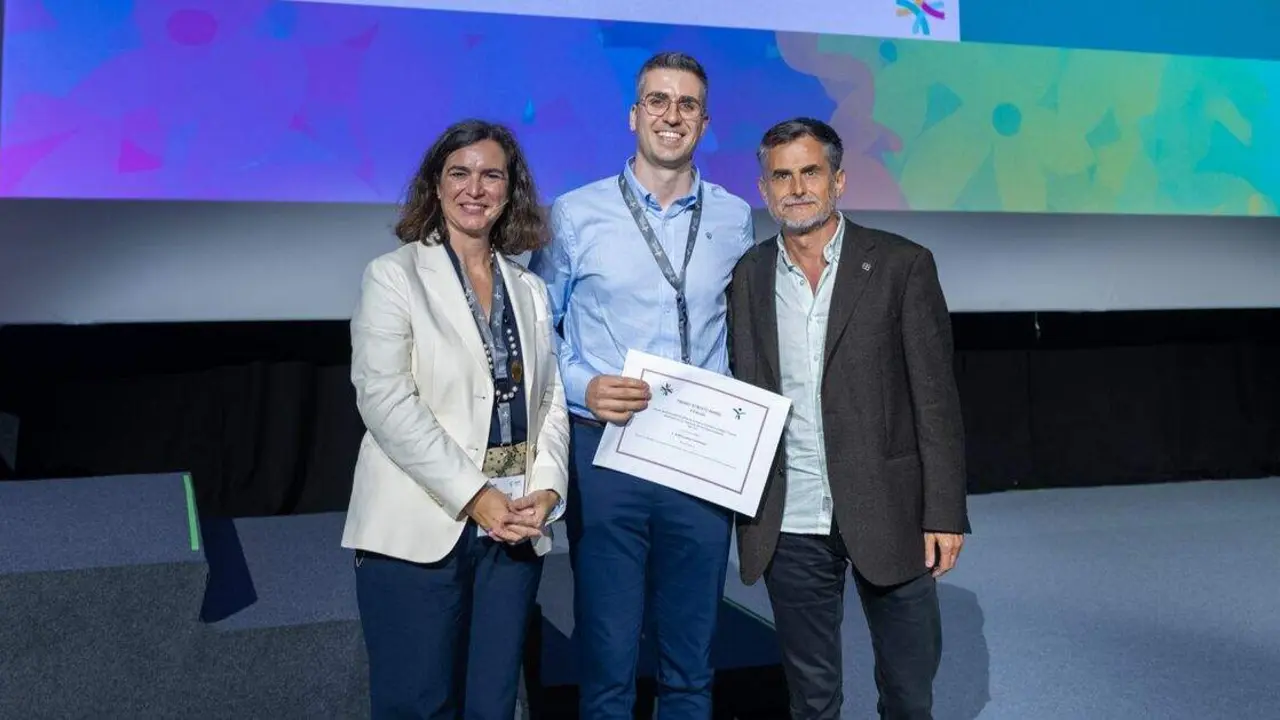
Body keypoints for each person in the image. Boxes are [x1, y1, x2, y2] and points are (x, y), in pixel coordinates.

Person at [529, 52, 755, 718]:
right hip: (610, 453)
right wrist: (582, 387)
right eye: (657, 100)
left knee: (692, 661)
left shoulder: (736, 217)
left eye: (687, 104)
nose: (671, 115)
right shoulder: (575, 214)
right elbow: (541, 329)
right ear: (633, 116)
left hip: (702, 455)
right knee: (607, 661)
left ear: (705, 123)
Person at [728, 117, 969, 720]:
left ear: (839, 180)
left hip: (891, 509)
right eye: (781, 176)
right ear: (764, 190)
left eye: (810, 172)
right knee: (811, 700)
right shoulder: (746, 276)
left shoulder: (901, 265)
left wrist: (943, 511)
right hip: (791, 516)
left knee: (909, 695)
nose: (797, 187)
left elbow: (935, 400)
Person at [342, 119, 570, 719]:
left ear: (510, 189)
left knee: (492, 707)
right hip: (421, 528)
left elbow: (548, 402)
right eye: (459, 173)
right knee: (418, 706)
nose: (475, 188)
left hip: (514, 531)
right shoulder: (393, 276)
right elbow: (385, 401)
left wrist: (546, 489)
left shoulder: (530, 289)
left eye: (491, 174)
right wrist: (475, 496)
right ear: (435, 186)